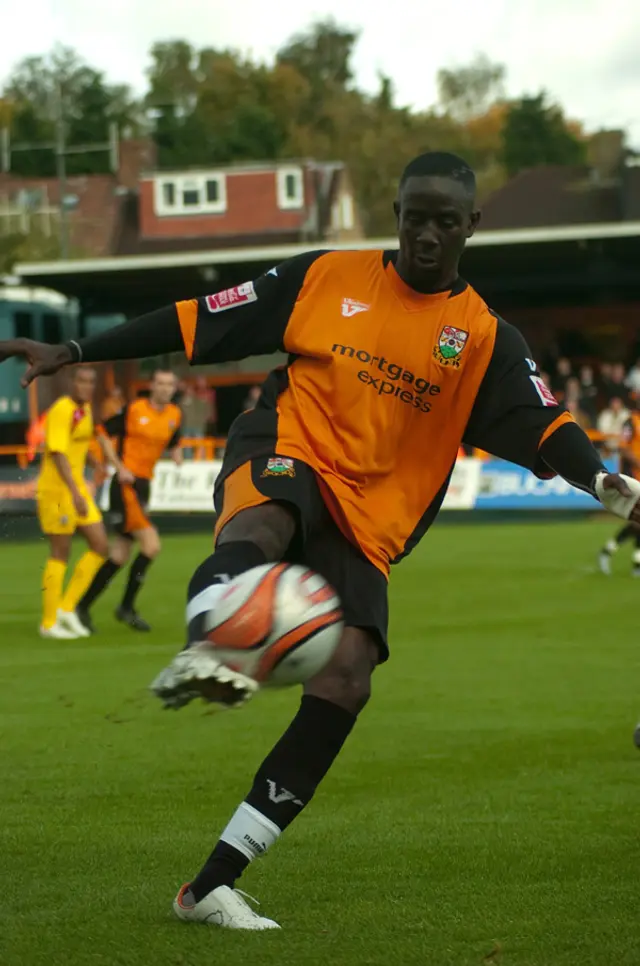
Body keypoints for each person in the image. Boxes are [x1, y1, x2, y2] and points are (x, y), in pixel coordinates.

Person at [2, 151, 639, 930]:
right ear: (397, 213)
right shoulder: (324, 275)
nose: (427, 235)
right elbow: (202, 317)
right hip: (289, 441)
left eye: (446, 221)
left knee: (347, 678)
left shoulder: (482, 339)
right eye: (415, 216)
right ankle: (208, 639)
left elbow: (546, 423)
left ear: (471, 226)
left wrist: (606, 484)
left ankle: (210, 886)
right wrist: (73, 351)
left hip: (371, 517)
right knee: (264, 522)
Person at [76, 369, 183, 633]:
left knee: (119, 554)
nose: (165, 388)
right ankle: (125, 606)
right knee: (151, 545)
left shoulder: (174, 415)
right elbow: (101, 431)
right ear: (152, 385)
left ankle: (83, 606)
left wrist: (177, 455)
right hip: (126, 485)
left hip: (144, 485)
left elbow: (174, 441)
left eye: (169, 384)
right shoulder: (135, 409)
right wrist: (118, 466)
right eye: (160, 383)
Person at [35, 367, 132, 639]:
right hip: (57, 491)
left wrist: (96, 464)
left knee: (100, 546)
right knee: (60, 552)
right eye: (82, 381)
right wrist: (75, 493)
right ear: (71, 383)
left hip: (77, 488)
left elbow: (82, 443)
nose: (87, 386)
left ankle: (67, 608)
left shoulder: (85, 410)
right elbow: (57, 453)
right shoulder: (61, 409)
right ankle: (49, 621)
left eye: (91, 381)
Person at [598, 401, 640, 576]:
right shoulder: (631, 422)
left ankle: (612, 551)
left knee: (638, 522)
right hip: (634, 477)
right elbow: (623, 447)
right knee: (637, 521)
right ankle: (615, 553)